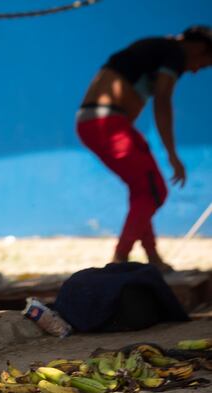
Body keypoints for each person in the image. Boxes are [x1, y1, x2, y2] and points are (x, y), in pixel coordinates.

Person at [77, 26, 212, 270]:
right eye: (204, 64)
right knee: (154, 190)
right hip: (106, 122)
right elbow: (162, 99)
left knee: (143, 189)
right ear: (200, 48)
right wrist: (172, 153)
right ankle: (120, 259)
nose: (194, 71)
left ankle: (152, 257)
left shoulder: (160, 48)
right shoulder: (175, 53)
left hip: (102, 121)